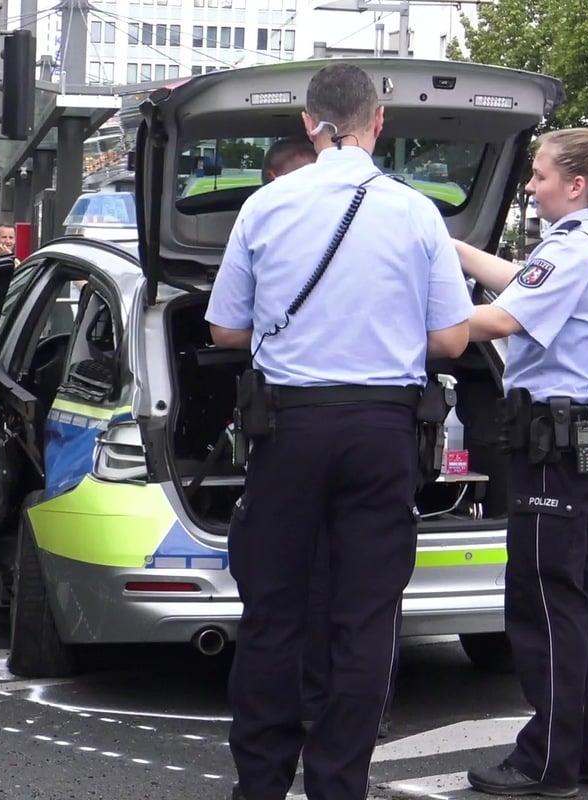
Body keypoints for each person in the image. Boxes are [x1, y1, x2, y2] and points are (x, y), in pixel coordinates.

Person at [205, 63, 471, 800]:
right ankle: (338, 786)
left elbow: (226, 326)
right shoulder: (417, 212)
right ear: (378, 121)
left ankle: (258, 785)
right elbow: (451, 340)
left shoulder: (267, 204)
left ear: (307, 123)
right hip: (384, 430)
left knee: (273, 615)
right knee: (365, 617)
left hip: (290, 429)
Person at [457, 128, 588, 797]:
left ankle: (546, 762)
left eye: (540, 174)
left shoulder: (574, 248)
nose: (530, 184)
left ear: (575, 185)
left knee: (546, 603)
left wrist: (415, 315)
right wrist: (453, 249)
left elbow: (502, 320)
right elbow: (523, 284)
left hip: (557, 446)